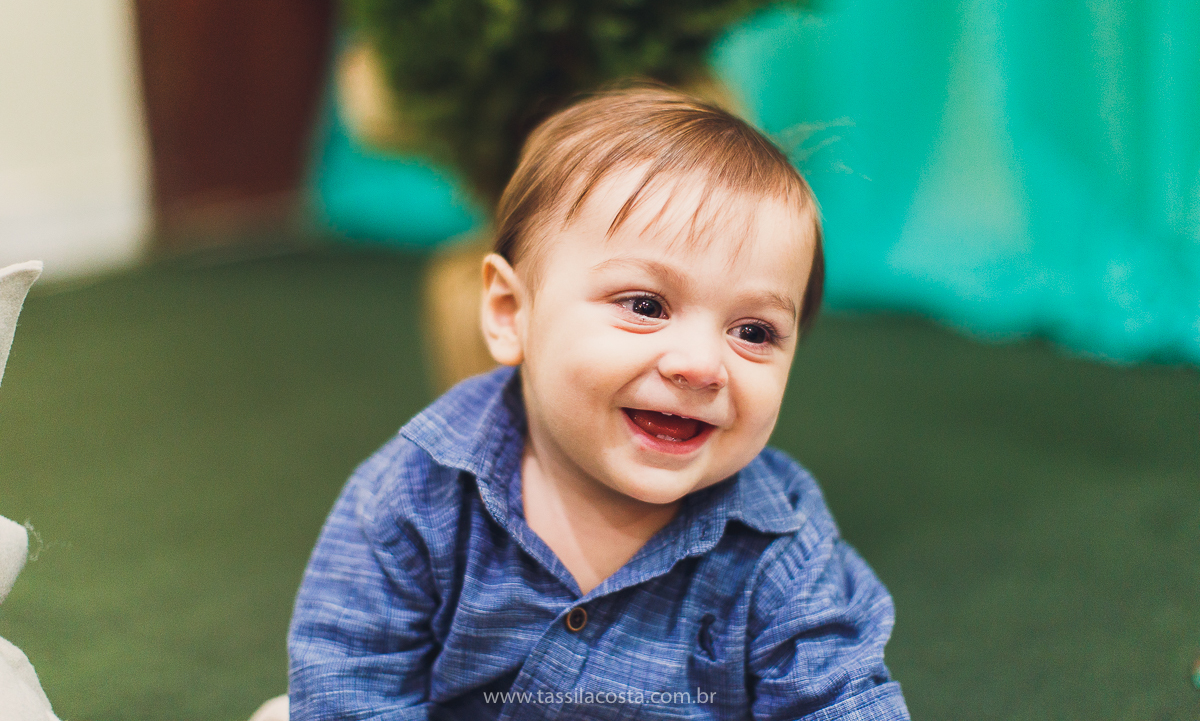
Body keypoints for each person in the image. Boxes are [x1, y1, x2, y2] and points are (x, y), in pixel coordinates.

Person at [288, 87, 911, 720]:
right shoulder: (419, 493)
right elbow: (351, 682)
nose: (701, 365)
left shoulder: (782, 543)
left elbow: (840, 696)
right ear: (509, 313)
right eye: (645, 306)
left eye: (753, 331)